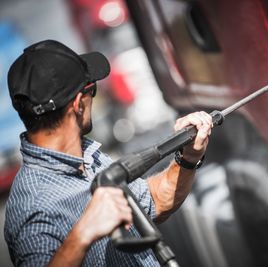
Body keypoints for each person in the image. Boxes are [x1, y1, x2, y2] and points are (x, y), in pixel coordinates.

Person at [4, 40, 213, 267]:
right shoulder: (32, 207)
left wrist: (188, 158)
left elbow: (154, 202)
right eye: (90, 89)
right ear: (78, 104)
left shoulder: (86, 155)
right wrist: (83, 233)